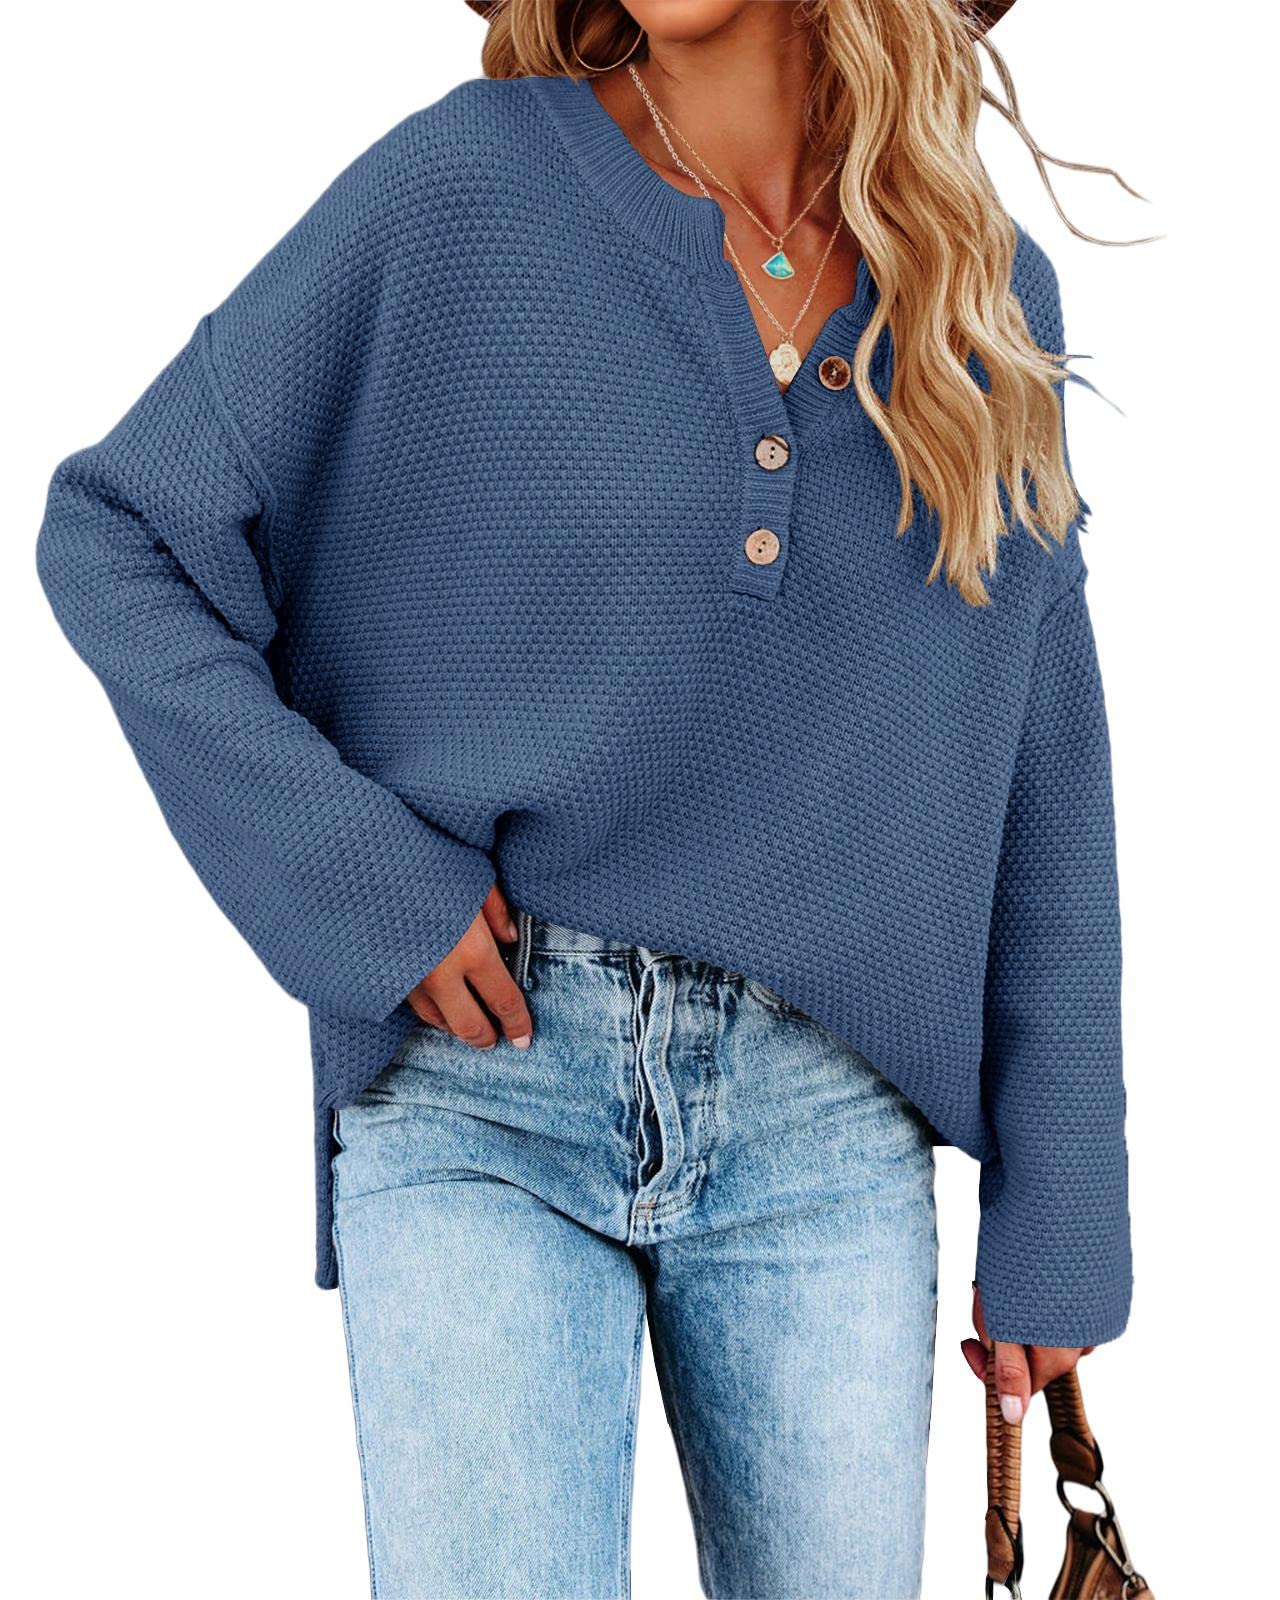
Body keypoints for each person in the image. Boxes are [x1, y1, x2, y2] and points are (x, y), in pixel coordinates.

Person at [34, 1, 1137, 1595]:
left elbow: (1046, 767)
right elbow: (121, 529)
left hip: (830, 1128)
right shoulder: (461, 190)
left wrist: (1064, 1203)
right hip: (482, 1093)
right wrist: (361, 884)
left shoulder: (980, 294)